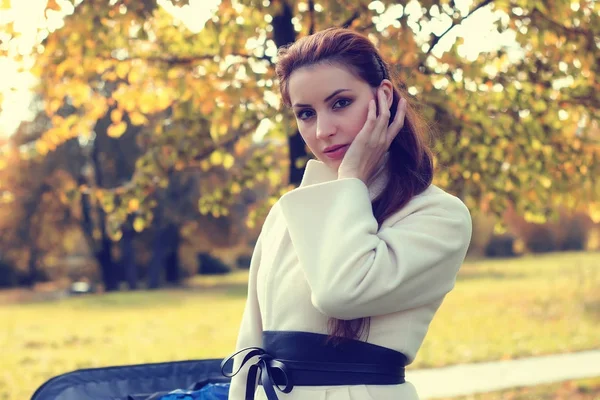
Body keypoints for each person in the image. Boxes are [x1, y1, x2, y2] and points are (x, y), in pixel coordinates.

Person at [220, 27, 472, 400]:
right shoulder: (288, 212)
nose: (323, 130)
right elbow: (249, 345)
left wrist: (351, 180)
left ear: (383, 97)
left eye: (340, 103)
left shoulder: (439, 216)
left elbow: (341, 292)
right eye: (305, 113)